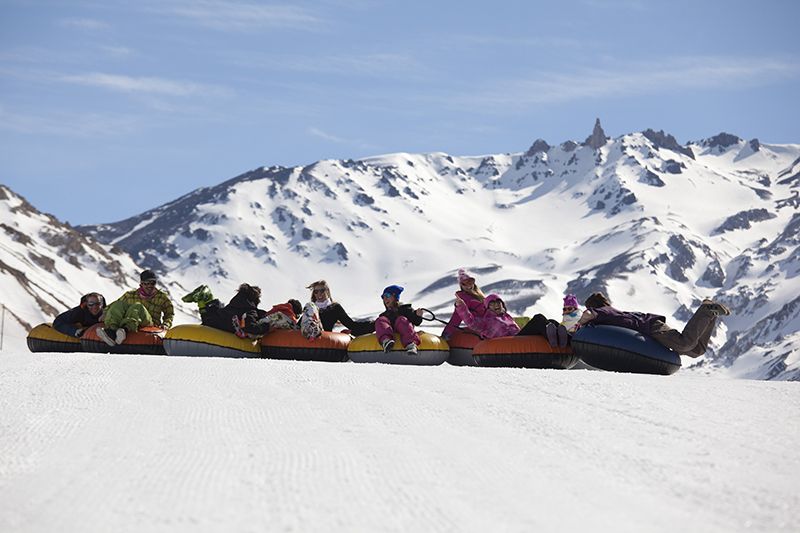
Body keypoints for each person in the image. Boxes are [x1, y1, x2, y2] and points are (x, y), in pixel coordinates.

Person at [576, 292, 731, 357]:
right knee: (697, 350)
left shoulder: (604, 312)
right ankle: (711, 315)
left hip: (651, 327)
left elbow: (589, 314)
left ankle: (706, 310)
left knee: (684, 344)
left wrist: (578, 325)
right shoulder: (611, 311)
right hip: (651, 325)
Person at [454, 293, 569, 347]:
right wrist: (461, 307)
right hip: (510, 342)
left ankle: (567, 341)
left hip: (518, 338)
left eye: (498, 302)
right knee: (538, 318)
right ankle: (553, 341)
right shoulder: (486, 321)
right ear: (487, 308)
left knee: (552, 322)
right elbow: (471, 322)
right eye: (492, 304)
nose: (496, 305)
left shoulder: (507, 317)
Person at [97, 270, 174, 346]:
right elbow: (114, 305)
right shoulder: (130, 295)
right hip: (131, 319)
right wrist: (104, 313)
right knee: (119, 304)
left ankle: (125, 330)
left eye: (152, 283)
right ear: (141, 284)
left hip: (150, 323)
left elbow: (169, 313)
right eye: (146, 283)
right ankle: (111, 331)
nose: (150, 286)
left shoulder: (161, 297)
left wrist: (166, 324)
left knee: (138, 306)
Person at [306, 280, 375, 336]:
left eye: (322, 290)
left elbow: (352, 325)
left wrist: (374, 325)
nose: (319, 294)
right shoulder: (310, 308)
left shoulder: (335, 308)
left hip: (324, 340)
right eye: (316, 292)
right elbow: (300, 325)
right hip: (306, 340)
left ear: (327, 291)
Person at [376, 285, 424, 354]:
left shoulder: (405, 309)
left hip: (405, 332)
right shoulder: (384, 315)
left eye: (387, 295)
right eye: (383, 297)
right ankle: (386, 341)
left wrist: (418, 315)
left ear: (395, 297)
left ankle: (411, 345)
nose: (385, 299)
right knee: (380, 320)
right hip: (389, 335)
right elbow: (372, 326)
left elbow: (416, 321)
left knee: (401, 319)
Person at [441, 268, 486, 340]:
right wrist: (447, 333)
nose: (469, 286)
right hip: (480, 327)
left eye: (471, 282)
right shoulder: (463, 298)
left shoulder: (479, 296)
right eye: (464, 283)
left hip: (490, 323)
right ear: (461, 285)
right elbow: (457, 317)